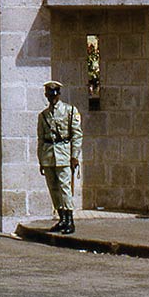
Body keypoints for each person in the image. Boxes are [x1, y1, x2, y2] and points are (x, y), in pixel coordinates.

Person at [37, 80, 82, 234]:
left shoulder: (70, 111)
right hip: (48, 155)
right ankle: (62, 218)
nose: (52, 99)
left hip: (64, 154)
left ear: (59, 95)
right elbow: (41, 139)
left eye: (54, 96)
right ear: (46, 96)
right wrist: (41, 160)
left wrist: (74, 155)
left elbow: (77, 135)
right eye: (50, 96)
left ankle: (70, 220)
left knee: (64, 187)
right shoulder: (43, 115)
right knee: (53, 188)